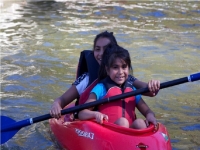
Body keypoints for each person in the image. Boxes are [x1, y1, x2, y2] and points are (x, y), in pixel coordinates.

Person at [50, 31, 160, 119]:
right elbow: (62, 100)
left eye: (106, 48)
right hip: (89, 124)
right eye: (97, 49)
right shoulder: (87, 78)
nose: (101, 53)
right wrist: (56, 105)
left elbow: (150, 92)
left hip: (117, 125)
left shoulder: (124, 77)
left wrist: (153, 85)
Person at [78, 45, 156, 129]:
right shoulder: (100, 88)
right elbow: (82, 113)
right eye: (115, 67)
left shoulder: (132, 89)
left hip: (130, 134)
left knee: (140, 123)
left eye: (124, 67)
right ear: (107, 70)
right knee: (123, 122)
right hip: (109, 131)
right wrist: (95, 114)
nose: (120, 72)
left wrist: (150, 115)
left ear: (128, 68)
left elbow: (147, 111)